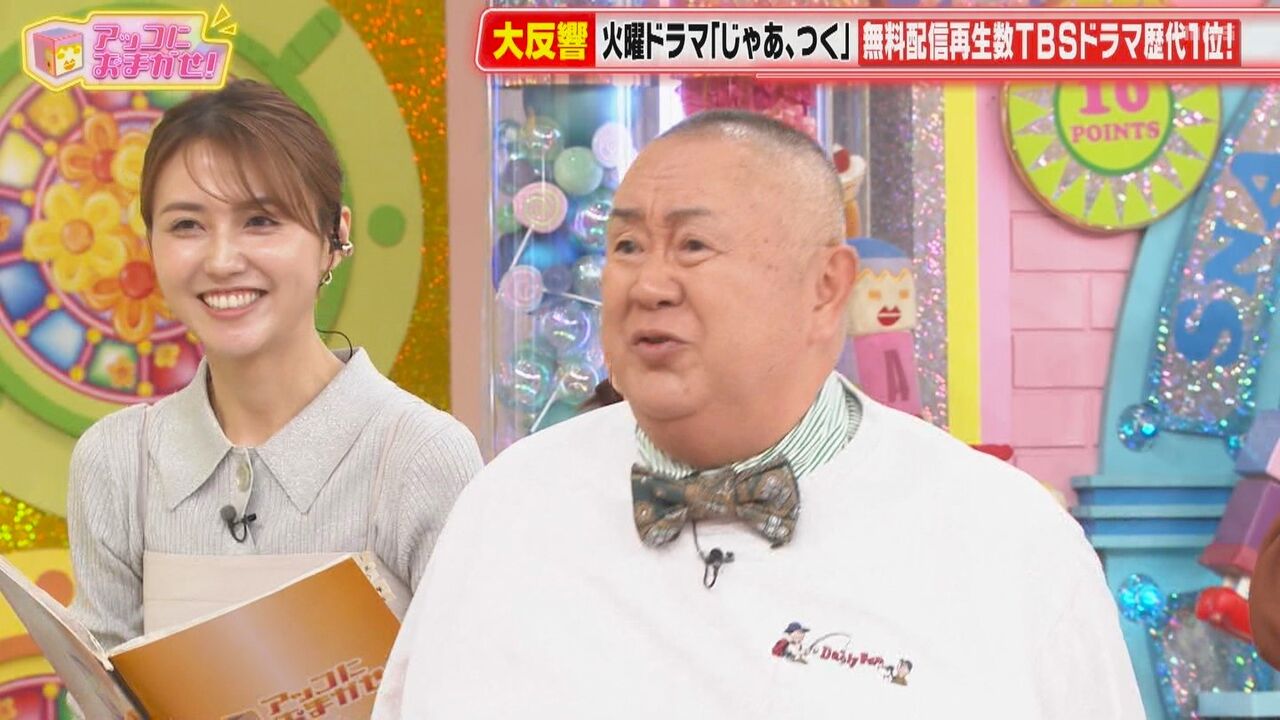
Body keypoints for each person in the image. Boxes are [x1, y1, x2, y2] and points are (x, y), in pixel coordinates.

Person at [374, 110, 1143, 718]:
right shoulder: (509, 505)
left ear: (826, 287)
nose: (649, 285)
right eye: (628, 245)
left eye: (693, 245)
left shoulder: (1006, 539)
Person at [66, 80, 482, 653]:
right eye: (187, 225)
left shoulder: (421, 456)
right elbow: (97, 689)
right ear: (151, 244)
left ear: (334, 238)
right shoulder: (117, 462)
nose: (221, 260)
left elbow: (470, 682)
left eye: (260, 221)